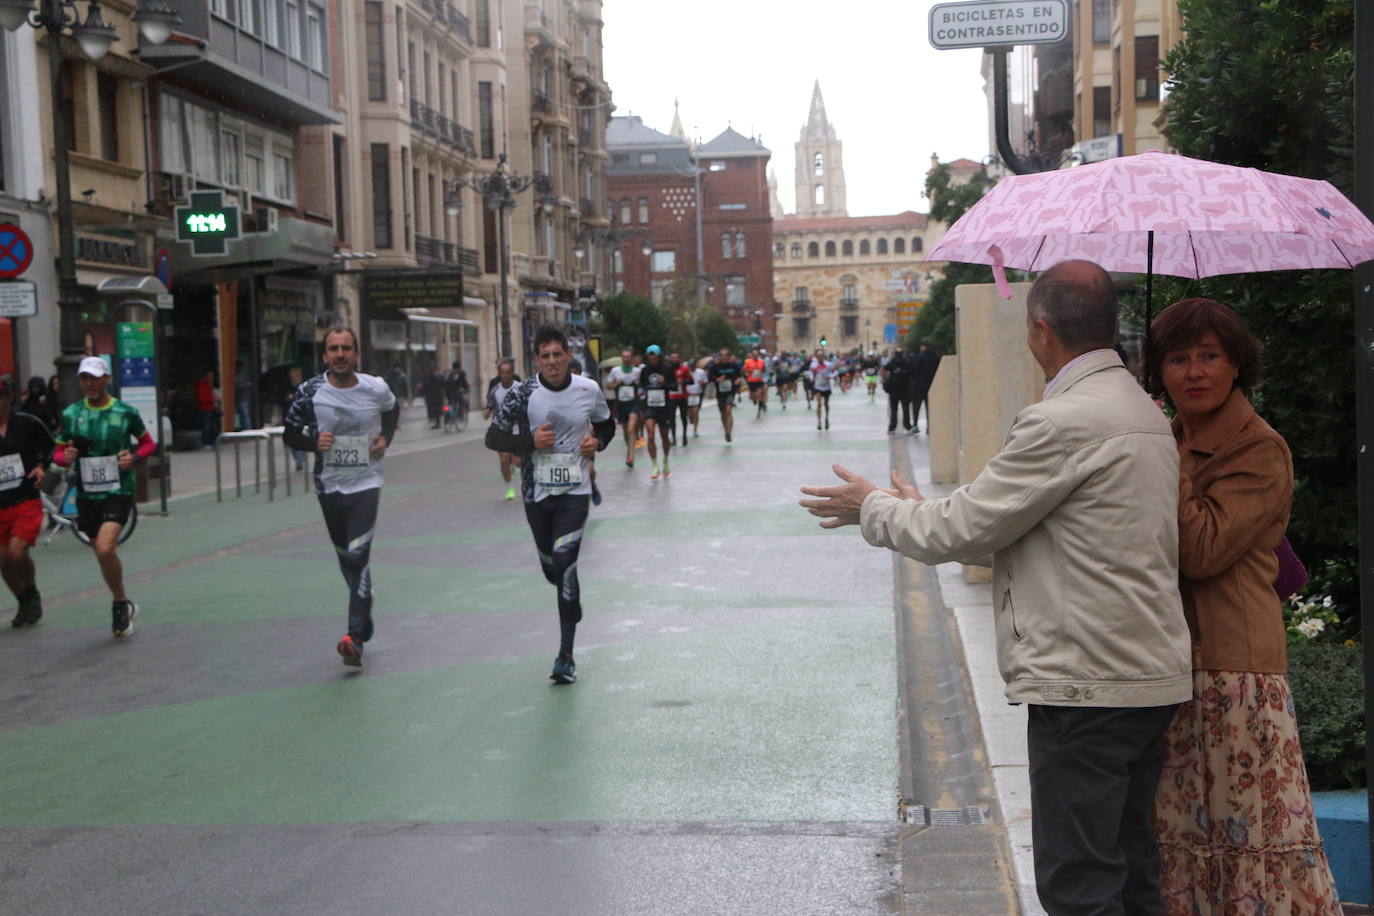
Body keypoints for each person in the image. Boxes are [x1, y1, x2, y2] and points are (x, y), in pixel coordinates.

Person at [800, 260, 1192, 916]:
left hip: (1086, 680)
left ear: (1040, 332)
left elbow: (962, 528)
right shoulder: (1141, 410)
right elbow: (1010, 526)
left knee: (1080, 885)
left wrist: (872, 507)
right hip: (1144, 672)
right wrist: (920, 507)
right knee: (1130, 871)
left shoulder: (1062, 421)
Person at [1146, 298, 1341, 914]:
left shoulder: (1261, 451)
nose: (1194, 372)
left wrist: (1164, 461)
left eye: (1210, 356)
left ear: (1237, 366)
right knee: (1182, 842)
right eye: (1177, 358)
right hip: (1170, 664)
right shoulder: (1167, 437)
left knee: (1248, 839)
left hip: (1237, 676)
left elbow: (1202, 548)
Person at [484, 325, 615, 684]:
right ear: (537, 359)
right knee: (552, 569)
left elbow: (607, 426)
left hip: (574, 490)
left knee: (565, 560)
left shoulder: (587, 389)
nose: (553, 362)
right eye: (546, 356)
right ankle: (567, 592)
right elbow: (492, 436)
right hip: (536, 493)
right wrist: (530, 442)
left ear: (568, 357)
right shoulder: (524, 393)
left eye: (559, 355)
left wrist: (596, 445)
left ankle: (566, 656)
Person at [283, 326, 399, 667]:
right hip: (329, 486)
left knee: (357, 552)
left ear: (356, 354)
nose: (340, 354)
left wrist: (384, 439)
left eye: (346, 348)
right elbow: (290, 432)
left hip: (366, 483)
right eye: (333, 348)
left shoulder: (375, 388)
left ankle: (354, 637)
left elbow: (392, 411)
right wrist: (311, 443)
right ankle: (363, 609)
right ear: (324, 356)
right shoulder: (309, 392)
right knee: (347, 559)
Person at [54, 357, 158, 638]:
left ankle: (117, 605)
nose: (89, 383)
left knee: (105, 548)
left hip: (119, 490)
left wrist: (133, 458)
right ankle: (123, 601)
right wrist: (66, 457)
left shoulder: (125, 412)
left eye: (94, 378)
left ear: (106, 379)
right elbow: (58, 452)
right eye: (84, 378)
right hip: (87, 494)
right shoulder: (71, 414)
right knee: (100, 552)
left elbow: (149, 443)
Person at [0, 379, 54, 627]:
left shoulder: (27, 423)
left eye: (1, 396)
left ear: (10, 398)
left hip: (25, 499)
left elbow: (51, 446)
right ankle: (23, 601)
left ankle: (31, 590)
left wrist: (41, 466)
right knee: (2, 559)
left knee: (17, 551)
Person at [484, 359, 523, 500]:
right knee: (504, 459)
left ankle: (527, 480)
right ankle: (509, 488)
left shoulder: (521, 388)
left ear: (512, 373)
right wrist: (487, 411)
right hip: (502, 429)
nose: (506, 376)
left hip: (518, 428)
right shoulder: (495, 390)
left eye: (508, 373)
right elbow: (489, 405)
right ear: (499, 374)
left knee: (519, 462)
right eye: (503, 373)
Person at [638, 344, 676, 479]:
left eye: (654, 357)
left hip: (664, 407)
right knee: (651, 435)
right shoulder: (645, 370)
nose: (652, 360)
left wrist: (665, 382)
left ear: (659, 357)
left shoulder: (667, 369)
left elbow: (675, 386)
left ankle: (665, 460)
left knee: (665, 436)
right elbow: (641, 386)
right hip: (649, 407)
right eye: (650, 357)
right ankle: (654, 465)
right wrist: (640, 399)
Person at [605, 349, 641, 467]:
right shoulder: (615, 371)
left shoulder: (637, 371)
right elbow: (608, 386)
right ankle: (629, 451)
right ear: (622, 358)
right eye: (624, 357)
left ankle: (631, 456)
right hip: (621, 405)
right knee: (626, 430)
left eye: (628, 357)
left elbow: (642, 386)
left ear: (632, 358)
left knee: (631, 429)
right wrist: (616, 383)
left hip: (633, 404)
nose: (626, 359)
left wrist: (638, 385)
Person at [708, 348, 742, 442]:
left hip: (730, 392)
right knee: (723, 414)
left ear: (729, 356)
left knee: (728, 411)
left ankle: (729, 432)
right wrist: (717, 379)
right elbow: (710, 378)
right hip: (720, 393)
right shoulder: (716, 367)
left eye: (726, 355)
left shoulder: (733, 365)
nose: (724, 357)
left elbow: (739, 375)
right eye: (722, 355)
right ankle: (725, 429)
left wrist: (738, 380)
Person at [909, 341, 942, 434]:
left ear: (922, 347)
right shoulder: (936, 356)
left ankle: (915, 425)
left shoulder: (919, 356)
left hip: (918, 386)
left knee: (916, 406)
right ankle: (929, 426)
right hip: (931, 385)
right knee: (930, 407)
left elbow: (914, 369)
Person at [280, 366, 307, 471]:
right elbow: (281, 399)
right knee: (293, 442)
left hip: (302, 418)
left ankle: (299, 461)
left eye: (298, 375)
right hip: (289, 418)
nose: (296, 377)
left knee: (299, 439)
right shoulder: (286, 387)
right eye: (294, 375)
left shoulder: (304, 387)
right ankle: (299, 460)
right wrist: (287, 398)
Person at [882, 348, 913, 433]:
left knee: (894, 409)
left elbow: (885, 368)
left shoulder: (892, 362)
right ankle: (907, 426)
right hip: (905, 389)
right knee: (906, 409)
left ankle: (892, 427)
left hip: (894, 390)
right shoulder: (906, 362)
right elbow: (911, 371)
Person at [669, 351, 691, 446]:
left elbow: (691, 380)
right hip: (671, 397)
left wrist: (683, 381)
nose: (674, 360)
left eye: (676, 358)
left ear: (679, 359)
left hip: (682, 397)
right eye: (672, 358)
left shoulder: (684, 369)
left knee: (683, 417)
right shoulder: (668, 369)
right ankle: (673, 437)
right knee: (671, 417)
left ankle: (684, 435)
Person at [809, 348, 834, 430]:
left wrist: (830, 377)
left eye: (821, 355)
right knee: (819, 404)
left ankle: (826, 418)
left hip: (826, 387)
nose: (820, 357)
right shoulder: (813, 365)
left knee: (826, 404)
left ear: (824, 356)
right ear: (816, 356)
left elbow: (835, 372)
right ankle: (819, 422)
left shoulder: (829, 364)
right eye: (818, 356)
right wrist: (811, 378)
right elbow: (810, 373)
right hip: (818, 387)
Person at [196, 369, 219, 450]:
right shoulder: (203, 386)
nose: (211, 378)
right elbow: (201, 399)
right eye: (210, 376)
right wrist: (212, 399)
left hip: (211, 408)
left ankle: (211, 442)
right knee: (207, 427)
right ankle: (205, 443)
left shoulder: (209, 386)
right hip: (205, 409)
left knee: (213, 427)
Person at [685, 360, 707, 439]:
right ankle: (691, 419)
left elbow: (706, 382)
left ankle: (695, 430)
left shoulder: (701, 372)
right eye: (690, 365)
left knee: (696, 412)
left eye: (693, 365)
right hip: (688, 395)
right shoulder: (686, 372)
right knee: (689, 413)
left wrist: (703, 383)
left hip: (697, 394)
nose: (691, 367)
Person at [743, 348, 767, 417]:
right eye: (754, 354)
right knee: (753, 397)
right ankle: (754, 399)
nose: (755, 355)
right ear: (752, 355)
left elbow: (764, 369)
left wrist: (762, 371)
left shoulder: (761, 361)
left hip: (759, 381)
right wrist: (749, 371)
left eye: (757, 354)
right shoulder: (748, 362)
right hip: (751, 381)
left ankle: (759, 412)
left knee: (760, 395)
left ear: (758, 355)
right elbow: (744, 370)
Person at [422, 364, 447, 429]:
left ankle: (438, 423)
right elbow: (444, 384)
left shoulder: (428, 376)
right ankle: (445, 418)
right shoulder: (440, 375)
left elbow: (426, 386)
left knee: (436, 409)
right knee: (442, 407)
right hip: (440, 395)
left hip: (433, 396)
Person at [234, 360, 253, 430]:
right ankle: (246, 430)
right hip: (241, 399)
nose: (242, 368)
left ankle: (246, 430)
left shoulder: (241, 376)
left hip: (243, 399)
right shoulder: (237, 376)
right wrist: (246, 384)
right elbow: (237, 386)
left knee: (244, 416)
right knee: (244, 416)